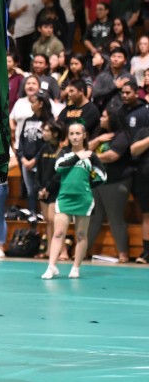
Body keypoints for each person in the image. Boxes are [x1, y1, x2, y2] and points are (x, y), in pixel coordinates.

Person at [42, 121, 106, 279]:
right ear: (68, 137)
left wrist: (87, 186)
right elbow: (59, 167)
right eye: (71, 134)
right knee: (58, 233)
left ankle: (76, 267)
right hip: (64, 199)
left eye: (78, 133)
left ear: (84, 135)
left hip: (83, 200)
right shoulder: (64, 153)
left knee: (81, 234)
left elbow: (103, 176)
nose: (75, 137)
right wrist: (78, 156)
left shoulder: (91, 156)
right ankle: (51, 267)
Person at [87, 109, 134, 263]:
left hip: (115, 182)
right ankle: (83, 251)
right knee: (94, 217)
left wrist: (93, 156)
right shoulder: (100, 134)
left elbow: (112, 156)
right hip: (96, 181)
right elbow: (84, 150)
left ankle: (123, 253)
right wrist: (98, 139)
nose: (101, 118)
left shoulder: (121, 136)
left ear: (113, 119)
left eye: (105, 116)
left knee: (115, 217)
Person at [17, 90, 54, 217]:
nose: (31, 104)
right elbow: (21, 141)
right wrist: (22, 158)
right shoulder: (27, 120)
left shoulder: (49, 121)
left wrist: (35, 160)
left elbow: (47, 144)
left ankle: (45, 215)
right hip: (25, 162)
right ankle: (32, 214)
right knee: (30, 190)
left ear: (41, 104)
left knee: (42, 188)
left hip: (42, 162)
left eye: (34, 102)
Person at [36, 119, 68, 260]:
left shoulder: (62, 150)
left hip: (56, 190)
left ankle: (64, 251)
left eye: (47, 130)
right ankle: (50, 250)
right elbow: (38, 170)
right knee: (48, 221)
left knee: (54, 220)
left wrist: (48, 188)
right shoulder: (44, 148)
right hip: (43, 189)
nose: (44, 133)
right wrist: (39, 188)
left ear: (55, 133)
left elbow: (60, 173)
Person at [9, 0, 44, 71]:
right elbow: (11, 15)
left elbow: (41, 14)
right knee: (21, 55)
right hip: (20, 31)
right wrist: (21, 10)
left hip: (33, 31)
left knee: (31, 55)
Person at [130, 123, 149, 263]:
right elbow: (134, 150)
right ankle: (147, 252)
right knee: (147, 216)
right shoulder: (144, 131)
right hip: (145, 179)